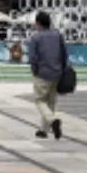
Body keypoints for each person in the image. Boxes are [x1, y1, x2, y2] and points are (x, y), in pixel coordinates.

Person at [27, 10, 68, 140]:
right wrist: (62, 69)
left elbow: (33, 58)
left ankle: (53, 120)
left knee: (40, 100)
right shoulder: (58, 35)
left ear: (38, 23)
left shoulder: (35, 38)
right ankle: (43, 130)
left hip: (42, 73)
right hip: (56, 73)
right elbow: (64, 54)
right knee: (51, 102)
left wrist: (35, 71)